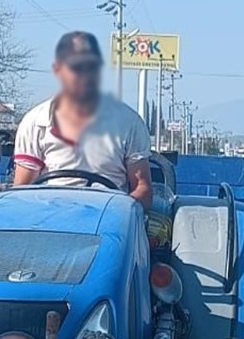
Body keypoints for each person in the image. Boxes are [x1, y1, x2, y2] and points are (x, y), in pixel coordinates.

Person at [13, 31, 154, 210]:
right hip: (48, 219)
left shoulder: (129, 123)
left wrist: (125, 212)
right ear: (58, 69)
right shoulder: (35, 123)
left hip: (108, 219)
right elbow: (21, 192)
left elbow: (142, 188)